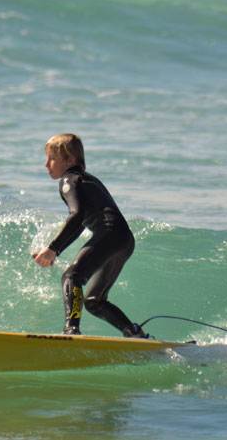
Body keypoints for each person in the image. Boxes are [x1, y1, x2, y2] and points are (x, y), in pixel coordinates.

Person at [32, 133, 148, 338]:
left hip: (110, 235)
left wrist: (52, 249)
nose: (46, 164)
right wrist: (55, 250)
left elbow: (76, 216)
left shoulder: (69, 180)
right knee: (94, 300)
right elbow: (79, 221)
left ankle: (71, 329)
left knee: (71, 277)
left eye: (52, 158)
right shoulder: (88, 179)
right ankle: (134, 332)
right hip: (124, 240)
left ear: (69, 160)